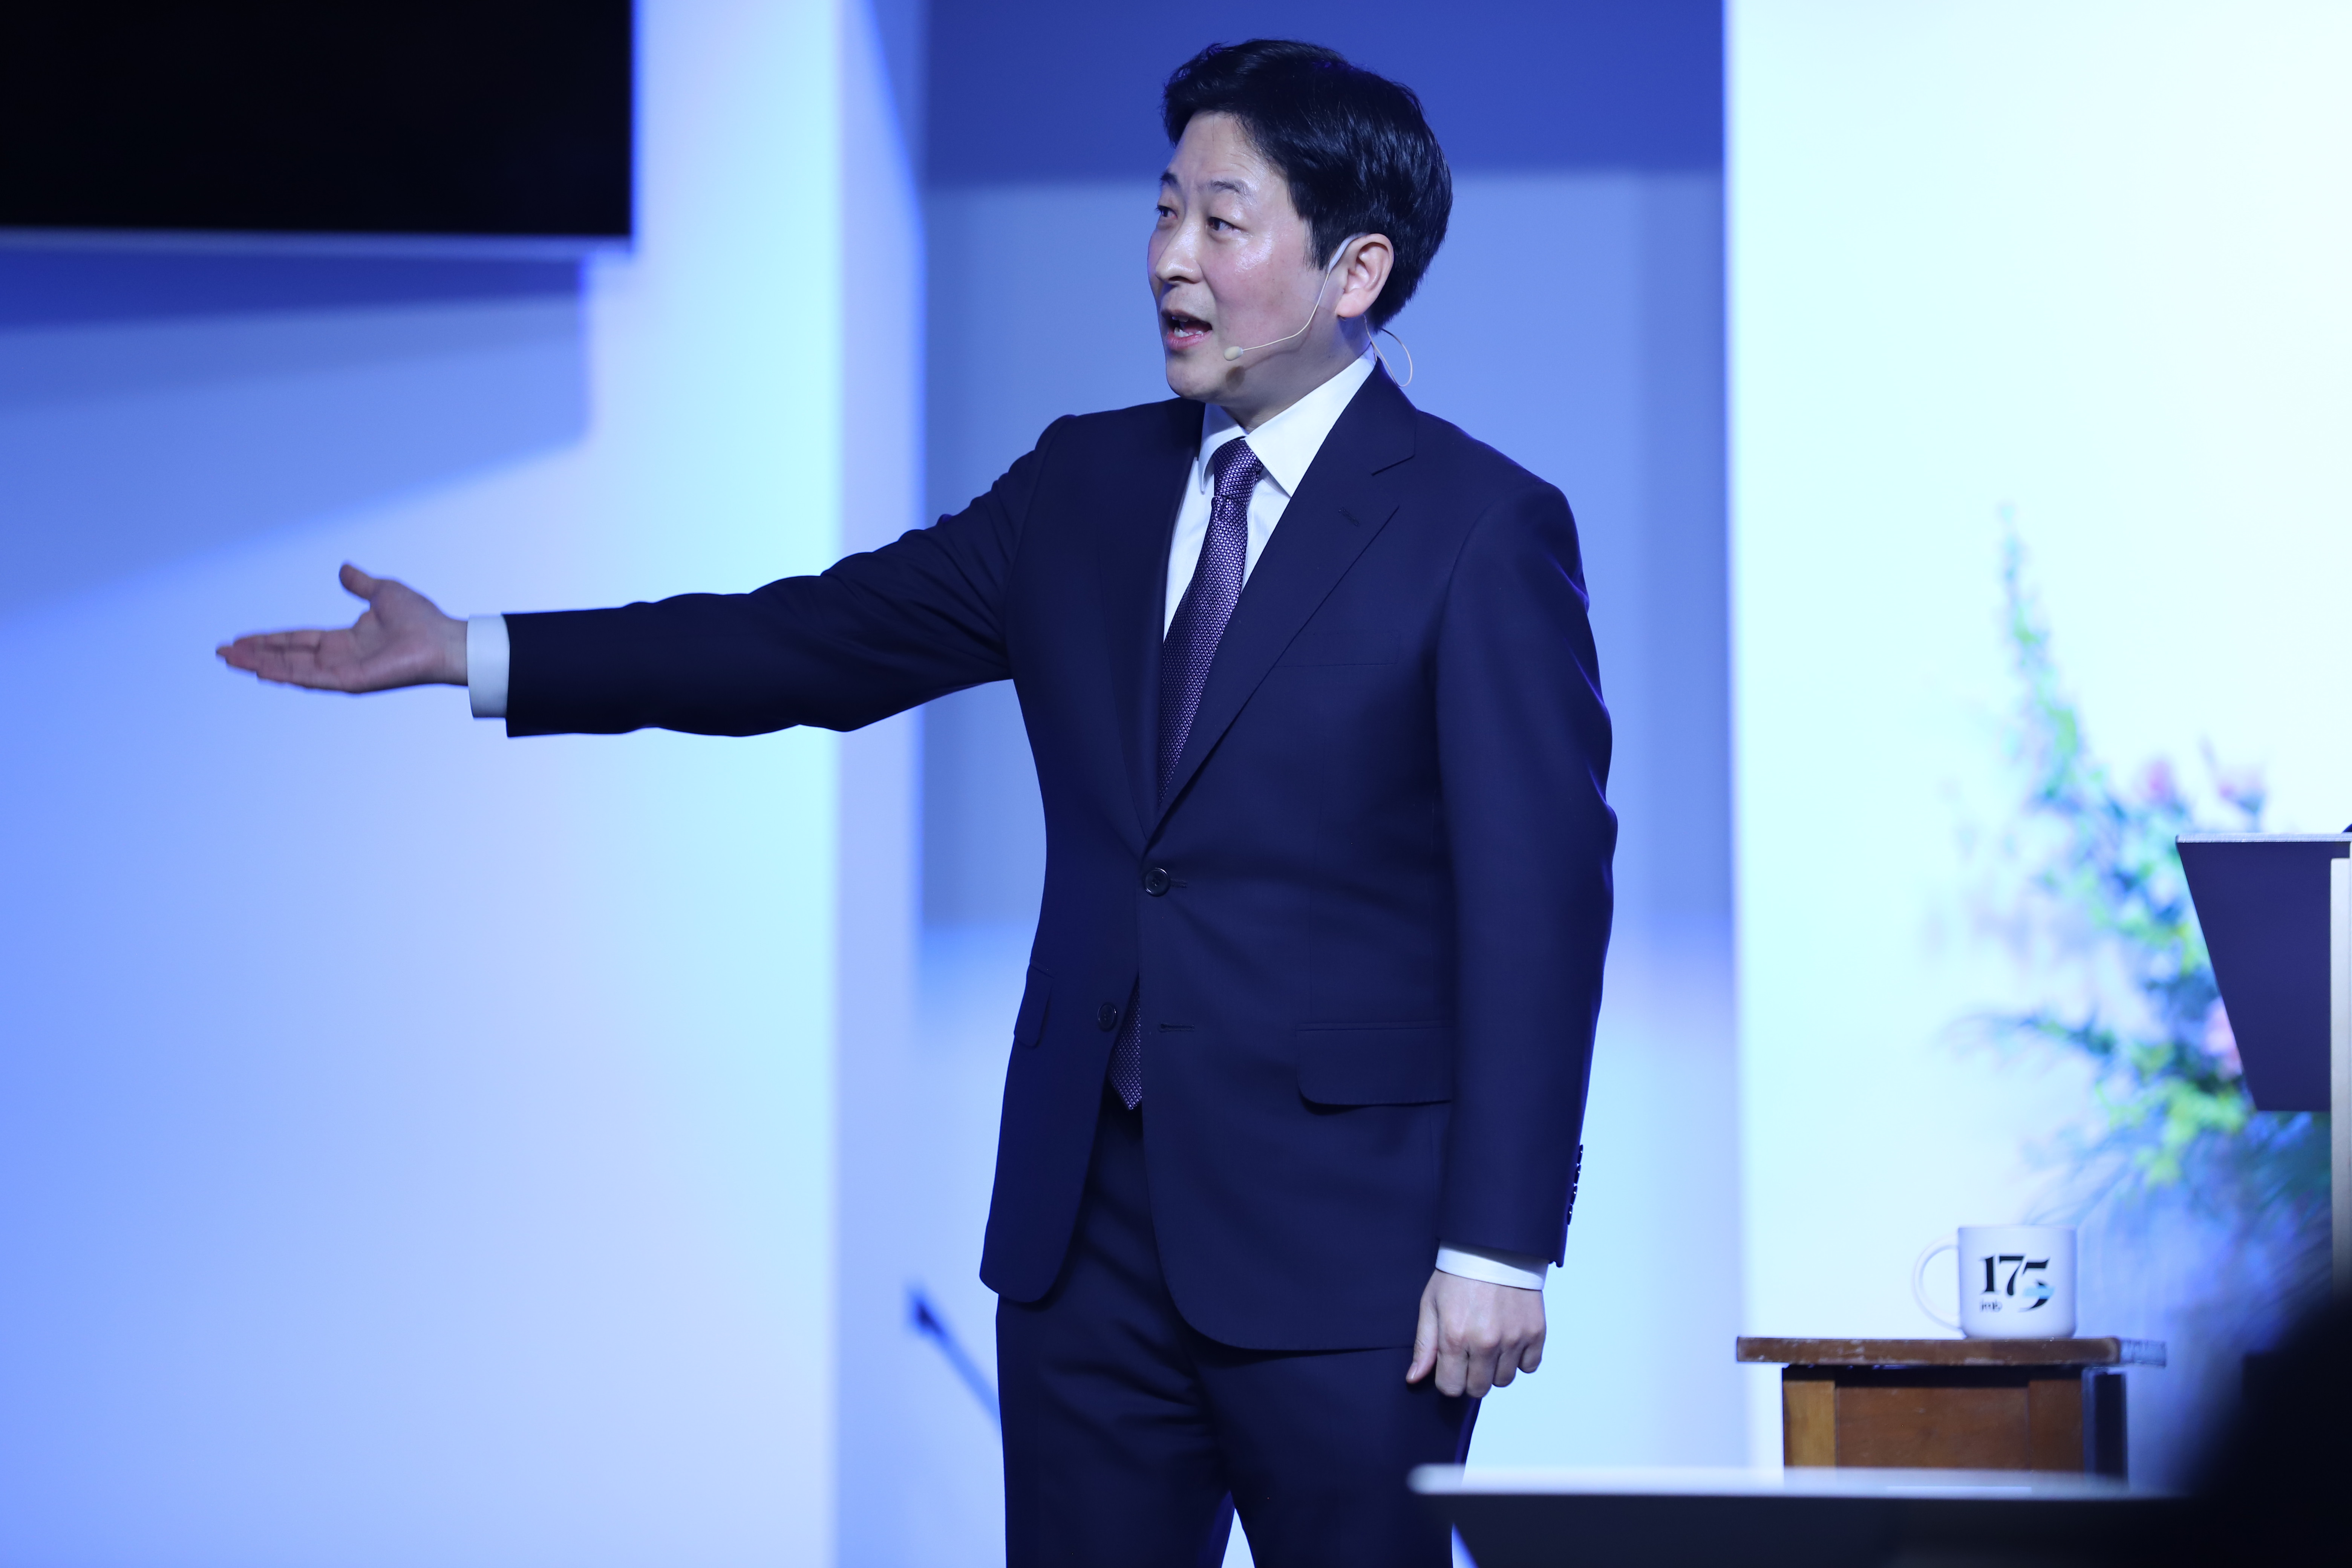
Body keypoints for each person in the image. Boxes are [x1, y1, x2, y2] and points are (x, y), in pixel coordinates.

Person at [219, 40, 1614, 1568]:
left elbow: (1540, 907)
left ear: (1357, 269)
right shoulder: (1083, 487)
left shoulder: (1479, 526)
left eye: (1222, 221)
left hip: (1352, 1265)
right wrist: (478, 650)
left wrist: (1498, 1240)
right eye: (1163, 210)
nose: (1169, 258)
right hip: (1080, 1248)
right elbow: (810, 641)